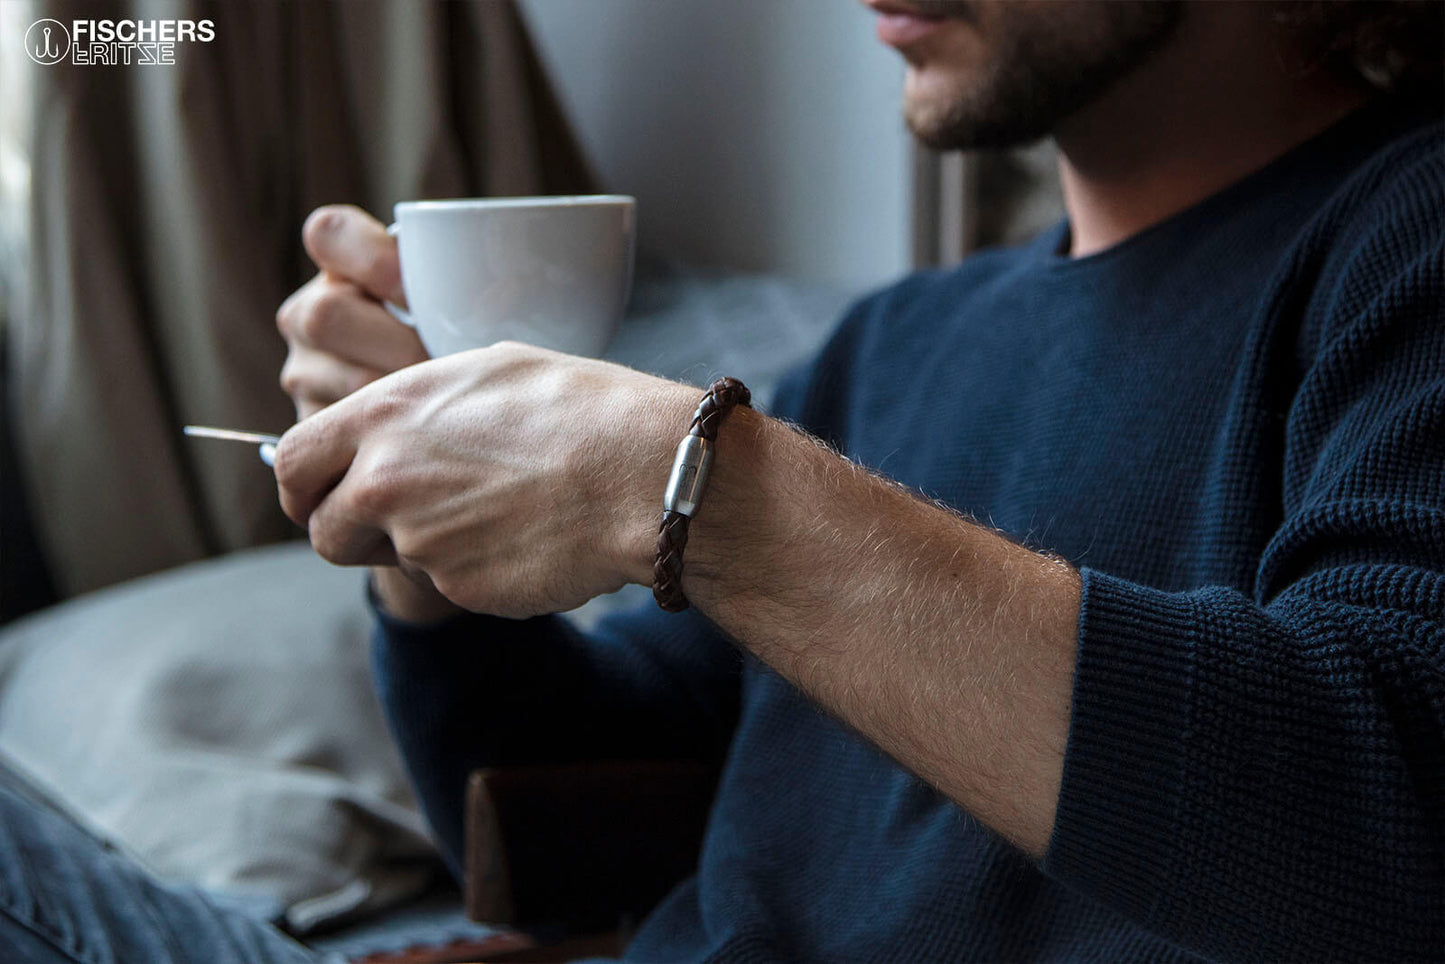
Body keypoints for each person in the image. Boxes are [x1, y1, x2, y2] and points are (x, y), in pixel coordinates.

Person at [0, 2, 1437, 962]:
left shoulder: (1403, 235)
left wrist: (699, 489)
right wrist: (408, 533)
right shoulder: (898, 339)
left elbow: (1387, 813)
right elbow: (571, 825)